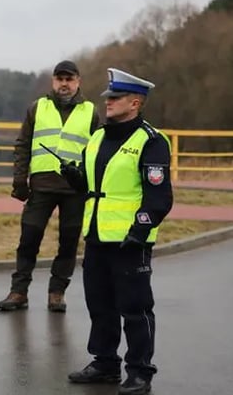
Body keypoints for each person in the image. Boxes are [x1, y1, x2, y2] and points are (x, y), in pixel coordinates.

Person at [62, 68, 173, 395]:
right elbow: (92, 185)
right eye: (108, 97)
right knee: (100, 305)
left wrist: (138, 233)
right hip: (96, 238)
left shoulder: (151, 141)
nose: (107, 103)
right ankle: (105, 362)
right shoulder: (97, 138)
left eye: (115, 97)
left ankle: (140, 371)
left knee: (136, 309)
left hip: (129, 242)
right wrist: (74, 177)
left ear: (135, 102)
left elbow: (159, 197)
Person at [0, 60, 100, 312]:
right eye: (59, 79)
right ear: (53, 81)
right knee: (28, 239)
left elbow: (98, 152)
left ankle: (57, 292)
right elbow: (22, 145)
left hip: (75, 189)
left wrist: (91, 186)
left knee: (68, 242)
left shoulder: (91, 112)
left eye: (69, 79)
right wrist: (19, 180)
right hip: (41, 186)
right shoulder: (37, 108)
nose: (64, 84)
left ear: (78, 82)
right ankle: (19, 291)